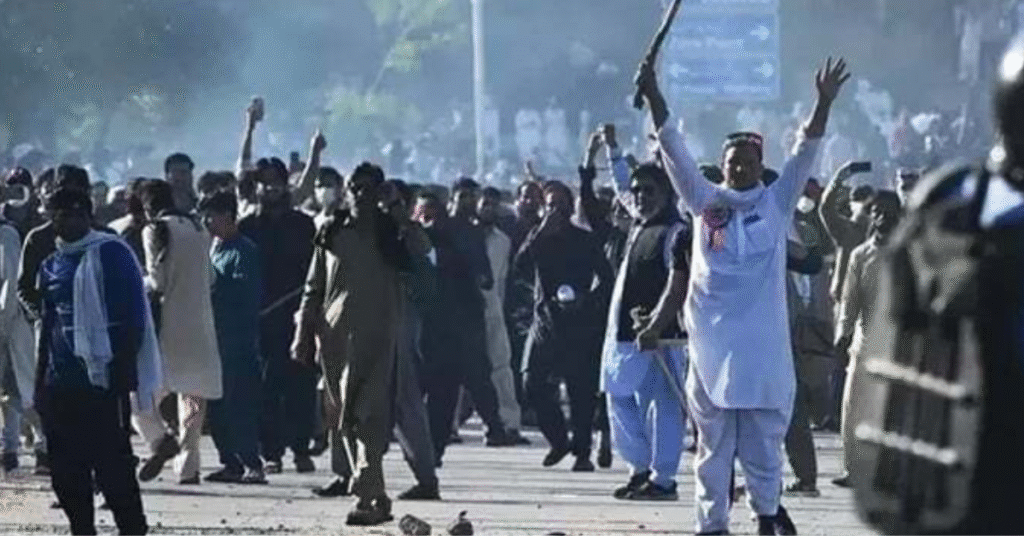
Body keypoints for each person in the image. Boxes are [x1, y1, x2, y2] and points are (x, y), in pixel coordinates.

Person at [637, 55, 849, 535]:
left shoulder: (776, 203)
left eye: (749, 163)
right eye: (732, 162)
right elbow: (672, 147)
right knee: (712, 451)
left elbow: (806, 150)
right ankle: (711, 526)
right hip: (712, 354)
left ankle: (767, 517)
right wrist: (652, 93)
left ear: (760, 167)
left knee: (761, 450)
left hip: (762, 356)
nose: (739, 169)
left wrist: (823, 104)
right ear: (724, 165)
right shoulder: (704, 202)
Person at [292, 162, 417, 525]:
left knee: (369, 416)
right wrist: (302, 333)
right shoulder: (331, 231)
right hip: (334, 339)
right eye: (355, 188)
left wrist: (401, 216)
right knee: (343, 418)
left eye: (368, 189)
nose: (361, 195)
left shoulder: (391, 232)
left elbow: (422, 259)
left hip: (378, 336)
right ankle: (376, 494)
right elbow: (313, 287)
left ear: (380, 192)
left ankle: (365, 494)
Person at [35, 187, 157, 535]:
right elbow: (48, 326)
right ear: (51, 217)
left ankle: (133, 528)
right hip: (61, 385)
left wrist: (121, 375)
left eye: (75, 214)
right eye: (60, 214)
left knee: (113, 468)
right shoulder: (51, 265)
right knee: (65, 472)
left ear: (88, 217)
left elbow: (132, 318)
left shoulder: (112, 254)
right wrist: (40, 384)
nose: (67, 221)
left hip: (103, 384)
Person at [596, 124, 690, 500]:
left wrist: (657, 323)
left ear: (667, 193)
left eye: (648, 191)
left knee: (663, 406)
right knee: (617, 396)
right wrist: (613, 150)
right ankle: (639, 468)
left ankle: (663, 478)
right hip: (622, 334)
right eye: (637, 192)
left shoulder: (676, 231)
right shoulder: (639, 224)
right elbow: (622, 186)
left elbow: (677, 283)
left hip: (659, 337)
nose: (639, 197)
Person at [514, 179, 613, 472]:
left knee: (580, 391)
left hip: (579, 325)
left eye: (561, 203)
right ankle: (558, 439)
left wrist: (587, 300)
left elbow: (606, 279)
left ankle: (582, 452)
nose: (555, 209)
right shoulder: (538, 237)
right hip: (545, 322)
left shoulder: (585, 239)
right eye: (550, 203)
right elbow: (519, 268)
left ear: (571, 208)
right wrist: (541, 232)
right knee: (531, 382)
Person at [416, 183, 515, 461]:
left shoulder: (469, 233)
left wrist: (478, 278)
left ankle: (491, 427)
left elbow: (484, 274)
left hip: (466, 319)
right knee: (443, 387)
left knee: (474, 378)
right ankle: (437, 446)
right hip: (439, 322)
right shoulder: (429, 235)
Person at [133, 180, 222, 485]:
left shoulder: (154, 230)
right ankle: (189, 467)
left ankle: (159, 440)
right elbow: (210, 277)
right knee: (193, 403)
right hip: (201, 326)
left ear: (147, 206)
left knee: (141, 398)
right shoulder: (198, 228)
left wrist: (136, 283)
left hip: (167, 328)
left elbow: (156, 282)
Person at [239, 153, 317, 475]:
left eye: (276, 183)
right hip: (259, 319)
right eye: (263, 183)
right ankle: (270, 451)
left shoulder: (302, 224)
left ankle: (301, 448)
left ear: (286, 185)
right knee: (265, 387)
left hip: (297, 315)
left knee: (300, 384)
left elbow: (314, 271)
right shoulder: (247, 226)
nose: (270, 189)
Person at [832, 190, 900, 488]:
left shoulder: (912, 252)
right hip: (865, 342)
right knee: (853, 406)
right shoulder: (860, 255)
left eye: (890, 211)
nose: (884, 217)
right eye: (878, 211)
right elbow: (850, 300)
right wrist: (843, 335)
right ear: (871, 216)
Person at [199, 191, 266, 485]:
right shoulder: (213, 247)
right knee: (216, 404)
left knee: (238, 404)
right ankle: (230, 461)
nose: (207, 222)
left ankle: (252, 461)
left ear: (227, 215)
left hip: (236, 341)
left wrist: (215, 287)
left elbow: (244, 294)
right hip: (212, 338)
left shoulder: (244, 251)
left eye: (211, 215)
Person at [477, 186, 530, 445]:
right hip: (463, 312)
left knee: (501, 368)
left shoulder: (503, 241)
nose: (489, 208)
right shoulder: (463, 235)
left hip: (493, 310)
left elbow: (502, 280)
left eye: (493, 204)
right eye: (484, 203)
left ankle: (509, 424)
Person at [0, 208, 41, 474]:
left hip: (9, 324)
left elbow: (10, 283)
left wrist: (3, 324)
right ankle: (10, 448)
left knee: (17, 391)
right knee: (9, 393)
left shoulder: (6, 234)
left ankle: (46, 443)